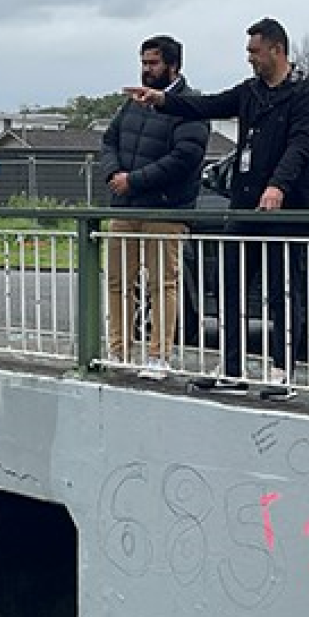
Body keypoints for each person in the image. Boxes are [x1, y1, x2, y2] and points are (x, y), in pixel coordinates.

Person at [127, 17, 309, 394]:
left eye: (254, 51)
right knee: (229, 283)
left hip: (287, 206)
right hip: (245, 202)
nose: (249, 58)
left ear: (276, 50)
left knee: (283, 288)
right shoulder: (251, 91)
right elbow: (208, 105)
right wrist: (163, 100)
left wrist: (278, 186)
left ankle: (282, 371)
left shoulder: (306, 92)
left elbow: (302, 143)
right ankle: (232, 368)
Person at [99, 35, 210, 380]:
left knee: (163, 284)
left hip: (166, 209)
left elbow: (185, 158)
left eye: (153, 63)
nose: (146, 70)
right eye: (144, 63)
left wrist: (135, 180)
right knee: (118, 282)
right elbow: (109, 140)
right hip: (125, 207)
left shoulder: (190, 105)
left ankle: (159, 355)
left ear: (173, 66)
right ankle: (118, 351)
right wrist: (114, 174)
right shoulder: (132, 103)